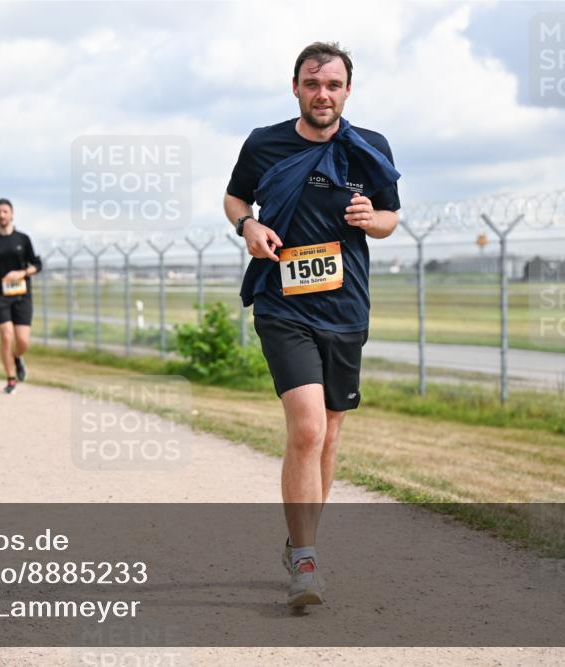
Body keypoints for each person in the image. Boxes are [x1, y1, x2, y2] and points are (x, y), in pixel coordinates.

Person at [223, 42, 400, 606]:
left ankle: (302, 541)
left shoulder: (370, 147)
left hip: (346, 309)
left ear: (348, 91)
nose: (322, 94)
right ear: (295, 87)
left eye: (333, 85)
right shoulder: (265, 143)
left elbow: (392, 215)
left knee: (329, 437)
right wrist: (248, 225)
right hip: (284, 304)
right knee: (306, 429)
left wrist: (374, 220)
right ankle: (305, 561)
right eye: (312, 83)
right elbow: (233, 199)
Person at [0, 198, 42, 395]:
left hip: (22, 295)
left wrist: (22, 273)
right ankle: (11, 379)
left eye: (5, 211)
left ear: (12, 214)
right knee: (6, 335)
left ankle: (17, 357)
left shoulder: (23, 239)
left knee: (23, 341)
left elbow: (37, 265)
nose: (1, 215)